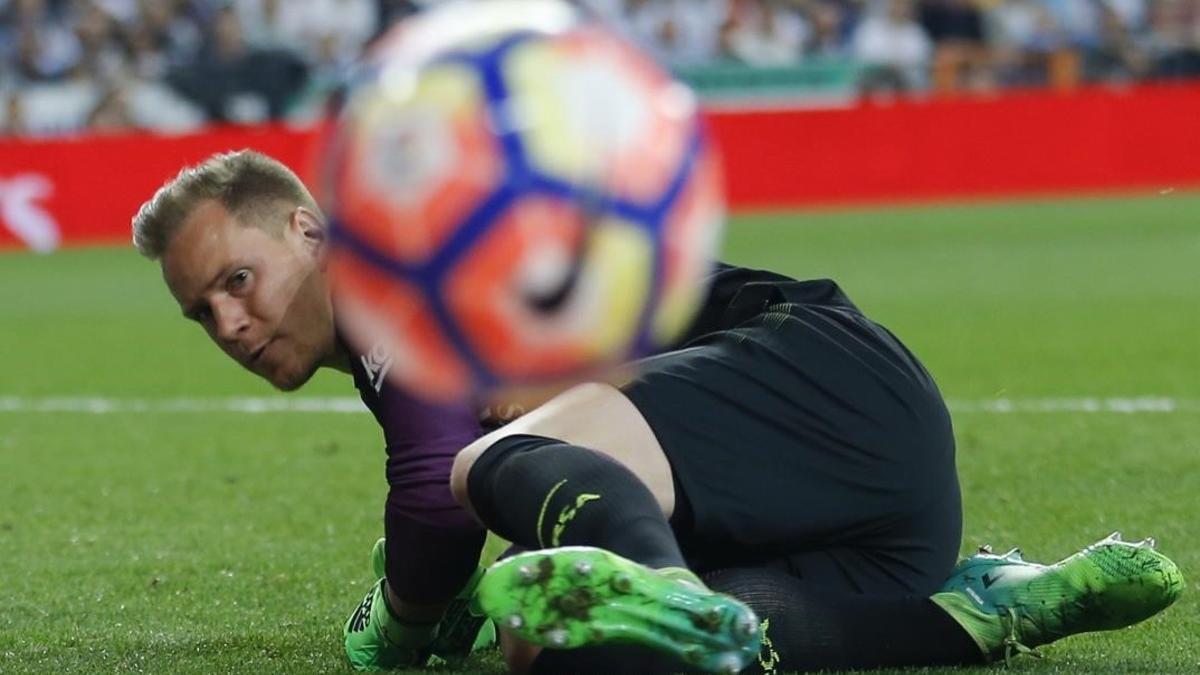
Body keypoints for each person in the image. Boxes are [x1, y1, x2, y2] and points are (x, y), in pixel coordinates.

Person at [131, 149, 1183, 674]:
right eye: (198, 313)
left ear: (310, 231)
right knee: (557, 643)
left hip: (808, 368)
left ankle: (669, 586)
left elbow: (435, 499)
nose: (226, 320)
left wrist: (396, 627)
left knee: (485, 471)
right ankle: (988, 607)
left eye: (235, 279)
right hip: (870, 532)